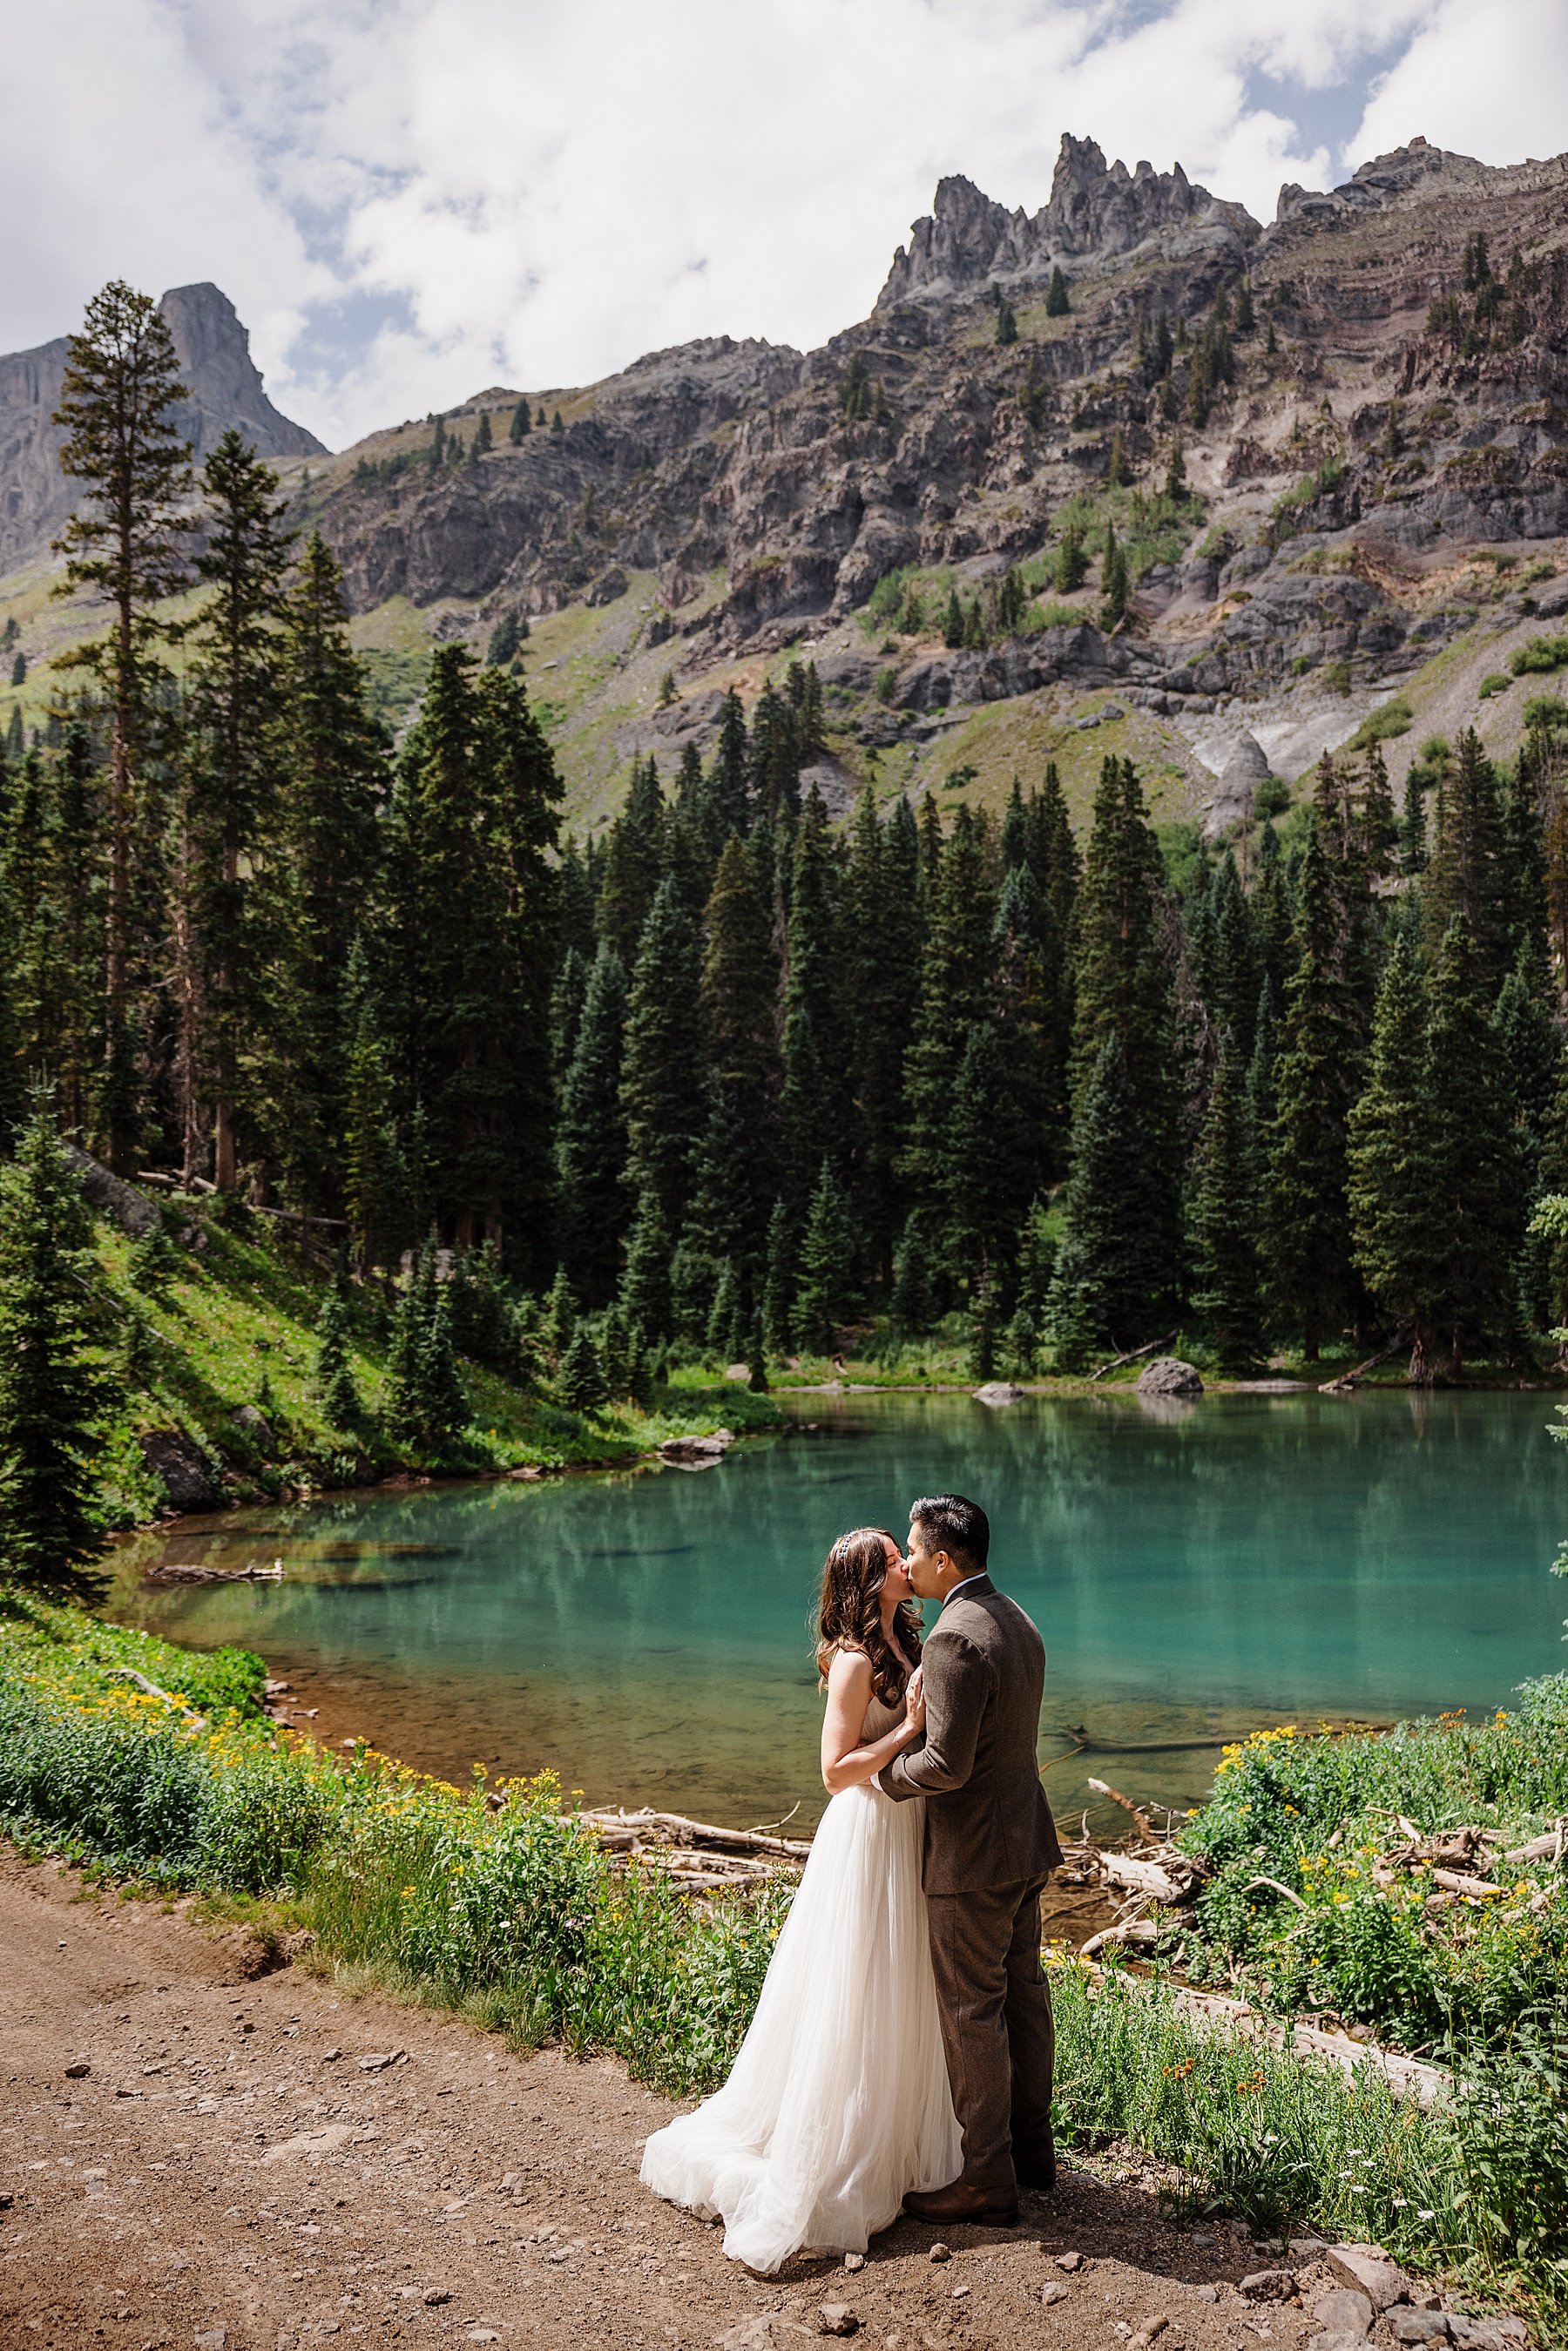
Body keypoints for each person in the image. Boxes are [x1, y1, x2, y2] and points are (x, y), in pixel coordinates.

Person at [639, 1526, 960, 2272]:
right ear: (864, 1577)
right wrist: (911, 1726)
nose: (903, 1564)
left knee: (904, 1982)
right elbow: (834, 1770)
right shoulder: (853, 1660)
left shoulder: (906, 1638)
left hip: (906, 1821)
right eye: (889, 1559)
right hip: (867, 1828)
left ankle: (899, 2138)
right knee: (859, 1984)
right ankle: (836, 2152)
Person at [879, 1491, 1063, 2225]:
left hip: (975, 1857)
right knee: (1024, 1992)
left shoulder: (952, 1638)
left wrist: (884, 1779)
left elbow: (947, 1766)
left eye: (915, 1552)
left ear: (944, 1559)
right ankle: (1033, 2151)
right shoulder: (1017, 1616)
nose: (908, 1561)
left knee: (971, 2010)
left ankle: (988, 2180)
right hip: (1026, 1838)